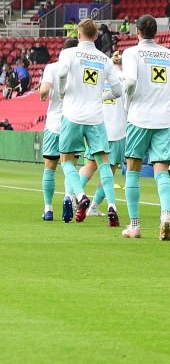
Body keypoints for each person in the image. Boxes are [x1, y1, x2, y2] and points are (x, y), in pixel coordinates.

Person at [120, 15, 170, 240]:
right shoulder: (169, 54)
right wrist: (162, 92)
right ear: (155, 33)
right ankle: (166, 215)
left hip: (139, 117)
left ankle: (134, 225)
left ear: (137, 32)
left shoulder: (131, 53)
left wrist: (128, 100)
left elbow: (130, 81)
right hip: (163, 119)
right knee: (162, 171)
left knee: (133, 168)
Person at [55, 19, 124, 224]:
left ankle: (80, 195)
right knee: (104, 163)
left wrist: (61, 91)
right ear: (96, 36)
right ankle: (112, 206)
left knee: (67, 161)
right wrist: (101, 97)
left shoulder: (69, 53)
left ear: (78, 35)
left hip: (73, 116)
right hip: (95, 118)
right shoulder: (105, 59)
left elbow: (61, 73)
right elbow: (118, 91)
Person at [82, 51, 128, 220]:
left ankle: (74, 196)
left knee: (90, 166)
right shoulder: (126, 79)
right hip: (117, 130)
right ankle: (94, 206)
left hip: (97, 127)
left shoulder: (101, 75)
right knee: (109, 170)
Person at [37, 38, 79, 222]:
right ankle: (68, 197)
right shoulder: (81, 70)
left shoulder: (52, 68)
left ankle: (48, 209)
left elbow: (44, 90)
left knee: (50, 167)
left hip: (54, 124)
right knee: (70, 166)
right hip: (73, 124)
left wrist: (42, 94)